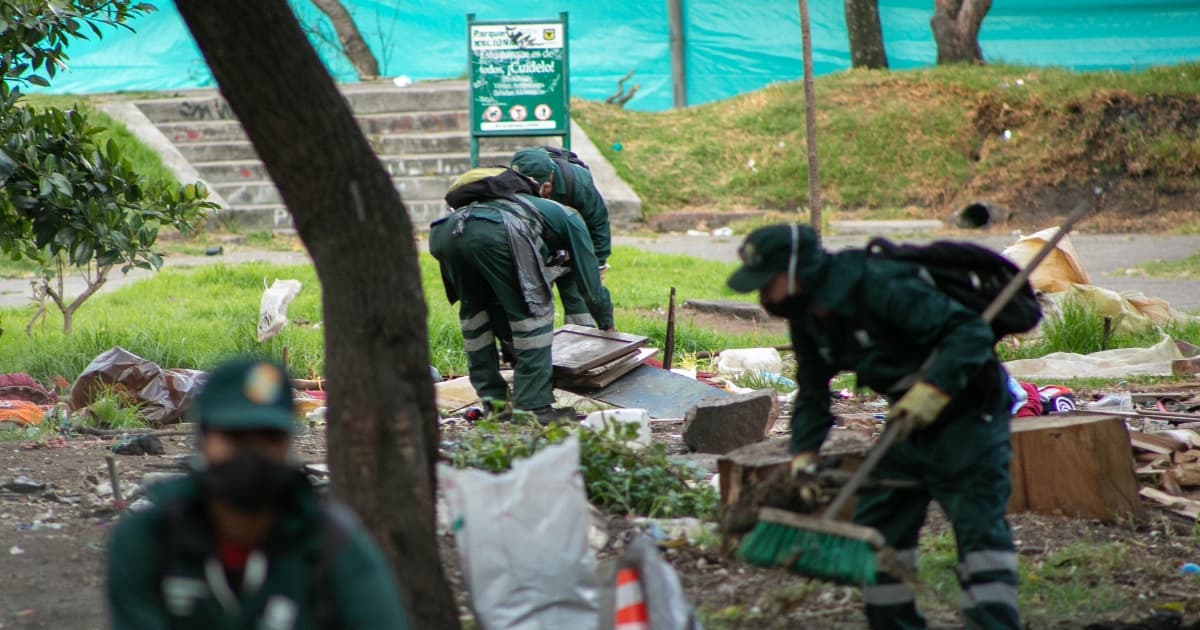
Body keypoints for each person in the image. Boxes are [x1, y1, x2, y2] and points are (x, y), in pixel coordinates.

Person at [727, 224, 1019, 630]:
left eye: (766, 284)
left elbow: (970, 332)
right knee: (880, 526)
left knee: (978, 530)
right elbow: (812, 394)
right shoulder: (806, 318)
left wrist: (933, 391)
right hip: (908, 422)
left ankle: (994, 621)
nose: (762, 297)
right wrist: (805, 456)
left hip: (969, 413)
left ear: (797, 271)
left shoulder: (879, 285)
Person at [107, 358, 411, 629]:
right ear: (203, 440)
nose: (251, 453)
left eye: (268, 436)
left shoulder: (332, 544)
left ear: (288, 444)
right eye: (235, 436)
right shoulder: (150, 539)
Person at [430, 166, 613, 424]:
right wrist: (606, 322)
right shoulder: (569, 216)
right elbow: (590, 285)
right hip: (497, 232)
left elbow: (500, 301)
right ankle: (533, 409)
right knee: (533, 314)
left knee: (475, 316)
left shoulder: (493, 204)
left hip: (445, 232)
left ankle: (494, 405)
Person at [511, 147, 614, 329]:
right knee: (534, 299)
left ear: (547, 184)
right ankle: (533, 343)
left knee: (579, 297)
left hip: (576, 242)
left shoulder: (579, 184)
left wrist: (596, 264)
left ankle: (583, 341)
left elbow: (598, 224)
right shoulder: (512, 186)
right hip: (538, 245)